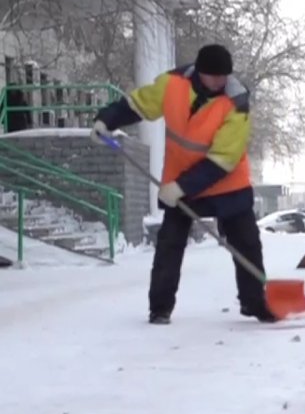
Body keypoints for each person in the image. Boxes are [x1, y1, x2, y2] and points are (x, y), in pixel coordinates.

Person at [90, 44, 276, 324]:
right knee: (169, 245)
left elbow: (223, 158)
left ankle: (255, 302)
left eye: (223, 76)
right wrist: (106, 120)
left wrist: (181, 187)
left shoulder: (236, 102)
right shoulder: (172, 84)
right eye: (213, 76)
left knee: (246, 244)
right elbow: (138, 104)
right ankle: (160, 308)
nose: (219, 82)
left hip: (226, 183)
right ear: (200, 72)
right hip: (180, 180)